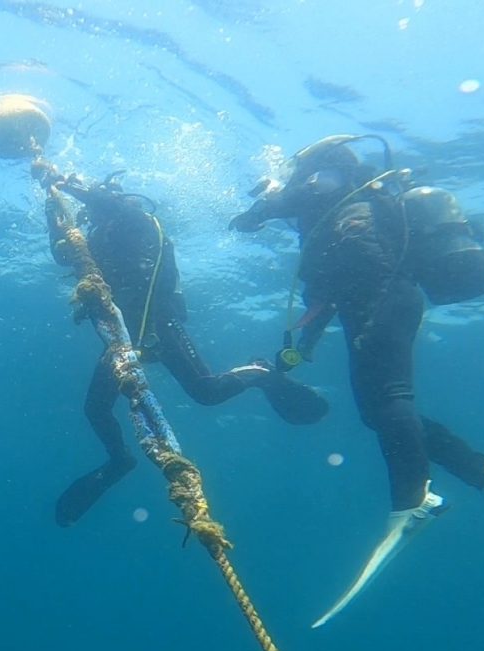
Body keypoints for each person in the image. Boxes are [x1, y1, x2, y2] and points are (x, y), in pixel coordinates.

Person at [228, 135, 484, 626]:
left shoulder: (329, 181)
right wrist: (302, 346)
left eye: (299, 172)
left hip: (382, 299)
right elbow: (328, 287)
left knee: (389, 400)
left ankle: (411, 500)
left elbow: (302, 210)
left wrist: (263, 205)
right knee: (378, 411)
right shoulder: (338, 208)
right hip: (375, 303)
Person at [42, 170, 329, 527]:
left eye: (102, 204)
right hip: (123, 333)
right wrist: (53, 212)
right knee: (94, 409)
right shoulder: (97, 240)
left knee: (206, 392)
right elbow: (65, 255)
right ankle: (119, 460)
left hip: (160, 324)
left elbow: (108, 205)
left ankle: (258, 375)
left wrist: (67, 184)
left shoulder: (138, 220)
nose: (95, 215)